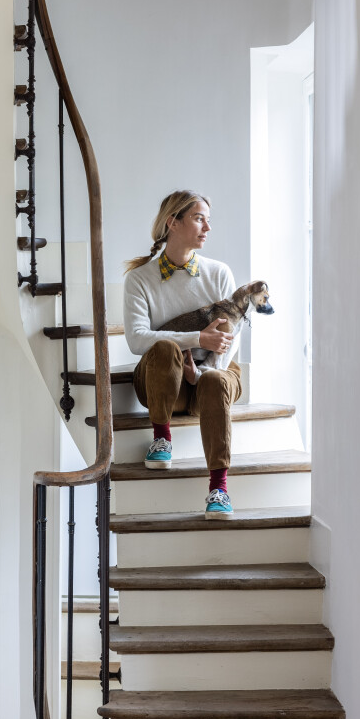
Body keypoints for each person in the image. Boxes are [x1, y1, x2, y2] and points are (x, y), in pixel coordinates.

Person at [122, 190, 241, 518]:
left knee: (217, 380)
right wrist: (197, 338)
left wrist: (200, 374)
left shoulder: (218, 273)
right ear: (173, 222)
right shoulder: (139, 279)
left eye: (208, 219)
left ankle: (219, 488)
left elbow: (232, 339)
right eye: (199, 218)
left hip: (210, 378)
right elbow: (136, 340)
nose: (207, 227)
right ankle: (161, 438)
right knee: (161, 347)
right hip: (163, 384)